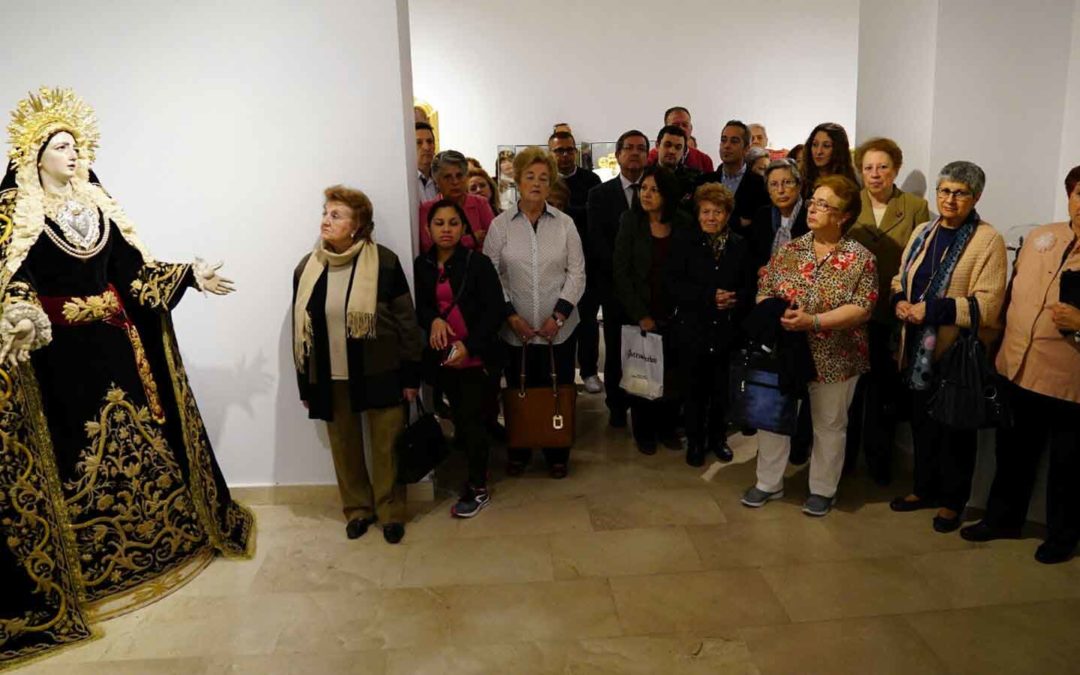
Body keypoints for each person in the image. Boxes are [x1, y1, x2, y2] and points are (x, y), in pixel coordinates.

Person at [0, 87, 254, 665]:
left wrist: (188, 275)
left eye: (77, 144)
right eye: (61, 145)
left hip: (117, 344)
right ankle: (82, 569)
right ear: (34, 154)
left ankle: (160, 544)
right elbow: (11, 276)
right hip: (57, 356)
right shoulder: (15, 215)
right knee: (72, 448)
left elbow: (135, 276)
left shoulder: (99, 207)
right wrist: (19, 314)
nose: (74, 153)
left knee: (137, 434)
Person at [960, 166, 1080, 563]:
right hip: (1019, 365)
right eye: (1078, 193)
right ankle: (1003, 519)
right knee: (1013, 454)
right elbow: (1012, 292)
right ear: (1069, 196)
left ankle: (1063, 536)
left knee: (1068, 466)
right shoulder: (1042, 237)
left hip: (1070, 380)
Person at [294, 185, 423, 544]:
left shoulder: (384, 262)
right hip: (330, 377)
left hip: (382, 372)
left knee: (388, 448)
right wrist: (306, 384)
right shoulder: (308, 269)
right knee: (345, 449)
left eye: (336, 215)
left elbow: (406, 322)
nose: (325, 220)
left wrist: (412, 374)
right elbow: (300, 332)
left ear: (358, 224)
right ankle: (358, 510)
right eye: (324, 212)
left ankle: (391, 513)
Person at [742, 175, 877, 517]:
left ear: (843, 215)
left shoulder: (861, 258)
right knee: (773, 417)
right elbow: (765, 288)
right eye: (813, 201)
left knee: (830, 424)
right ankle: (768, 482)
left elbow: (862, 308)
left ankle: (822, 489)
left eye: (823, 204)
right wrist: (777, 313)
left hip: (837, 356)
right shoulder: (790, 249)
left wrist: (814, 322)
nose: (813, 209)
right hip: (786, 350)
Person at [889, 161, 1007, 533]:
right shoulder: (924, 231)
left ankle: (953, 502)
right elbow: (899, 277)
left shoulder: (987, 239)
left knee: (955, 429)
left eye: (960, 193)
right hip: (917, 345)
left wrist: (931, 308)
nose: (950, 199)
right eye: (944, 191)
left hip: (954, 350)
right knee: (923, 423)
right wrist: (900, 303)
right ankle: (924, 488)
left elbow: (987, 306)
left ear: (976, 197)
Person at [485, 147, 585, 478]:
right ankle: (521, 448)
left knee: (558, 389)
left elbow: (577, 273)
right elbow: (491, 275)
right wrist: (511, 317)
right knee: (519, 388)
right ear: (518, 179)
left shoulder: (565, 225)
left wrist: (558, 317)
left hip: (560, 329)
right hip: (517, 330)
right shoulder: (500, 226)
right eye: (530, 176)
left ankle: (557, 451)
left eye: (544, 178)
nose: (537, 184)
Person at [845, 138, 930, 484]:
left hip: (891, 313)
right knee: (849, 393)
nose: (875, 174)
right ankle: (844, 462)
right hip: (851, 311)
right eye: (868, 167)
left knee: (883, 393)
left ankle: (879, 465)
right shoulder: (850, 202)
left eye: (882, 167)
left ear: (895, 169)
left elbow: (918, 260)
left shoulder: (914, 206)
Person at [414, 200, 506, 518]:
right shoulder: (421, 265)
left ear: (464, 228)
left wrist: (469, 346)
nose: (446, 229)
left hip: (475, 356)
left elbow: (494, 310)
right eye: (439, 223)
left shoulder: (477, 263)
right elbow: (421, 306)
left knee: (474, 420)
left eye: (454, 223)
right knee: (456, 418)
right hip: (441, 357)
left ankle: (478, 487)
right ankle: (463, 471)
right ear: (428, 229)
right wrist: (433, 321)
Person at [668, 183, 756, 465]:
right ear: (697, 214)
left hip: (727, 330)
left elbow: (751, 286)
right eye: (705, 211)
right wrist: (708, 296)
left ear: (727, 214)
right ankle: (695, 442)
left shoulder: (740, 245)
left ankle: (718, 439)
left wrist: (736, 299)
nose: (711, 217)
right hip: (692, 329)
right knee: (694, 390)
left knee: (721, 391)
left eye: (717, 212)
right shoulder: (684, 241)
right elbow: (673, 284)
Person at [614, 165, 687, 454]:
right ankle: (644, 431)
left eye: (654, 189)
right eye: (644, 188)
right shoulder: (629, 221)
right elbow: (621, 272)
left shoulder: (682, 222)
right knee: (642, 376)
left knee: (672, 376)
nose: (646, 194)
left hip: (675, 313)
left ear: (667, 194)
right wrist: (639, 314)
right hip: (641, 313)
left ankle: (667, 428)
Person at [587, 129, 649, 429]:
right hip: (613, 288)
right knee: (614, 351)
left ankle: (644, 408)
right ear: (618, 154)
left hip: (649, 291)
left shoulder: (655, 192)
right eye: (629, 148)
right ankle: (616, 405)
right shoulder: (599, 195)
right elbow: (597, 242)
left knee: (645, 350)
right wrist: (622, 277)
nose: (635, 153)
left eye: (641, 148)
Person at [548, 131, 603, 393]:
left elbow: (592, 220)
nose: (565, 155)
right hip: (552, 266)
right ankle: (561, 374)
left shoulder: (590, 179)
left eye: (569, 150)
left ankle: (590, 371)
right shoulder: (544, 179)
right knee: (557, 321)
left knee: (587, 321)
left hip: (585, 262)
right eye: (559, 150)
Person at [418, 150, 495, 251]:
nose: (455, 182)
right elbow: (431, 248)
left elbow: (493, 241)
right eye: (447, 177)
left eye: (459, 176)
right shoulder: (427, 209)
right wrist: (472, 239)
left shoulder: (481, 203)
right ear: (436, 181)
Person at [698, 120, 770, 228]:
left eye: (734, 141)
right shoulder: (704, 181)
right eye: (723, 140)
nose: (727, 146)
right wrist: (737, 222)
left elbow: (758, 224)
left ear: (746, 148)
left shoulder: (760, 184)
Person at [748, 159, 810, 270]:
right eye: (773, 184)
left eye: (787, 183)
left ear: (799, 185)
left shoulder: (810, 215)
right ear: (768, 190)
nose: (781, 190)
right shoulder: (762, 215)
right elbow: (753, 256)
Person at [647, 106, 714, 172]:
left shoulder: (704, 161)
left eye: (685, 125)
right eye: (675, 125)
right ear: (665, 128)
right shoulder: (649, 159)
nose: (681, 128)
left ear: (691, 129)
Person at [799, 123, 857, 198]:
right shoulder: (801, 180)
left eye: (826, 146)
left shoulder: (849, 185)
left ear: (838, 150)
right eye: (815, 144)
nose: (818, 151)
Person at [654, 125, 698, 206]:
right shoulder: (645, 176)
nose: (672, 151)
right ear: (657, 146)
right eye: (667, 145)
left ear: (684, 152)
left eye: (678, 147)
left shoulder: (694, 180)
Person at [416, 121, 438, 203]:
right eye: (419, 142)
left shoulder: (440, 179)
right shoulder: (406, 181)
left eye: (429, 141)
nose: (426, 147)